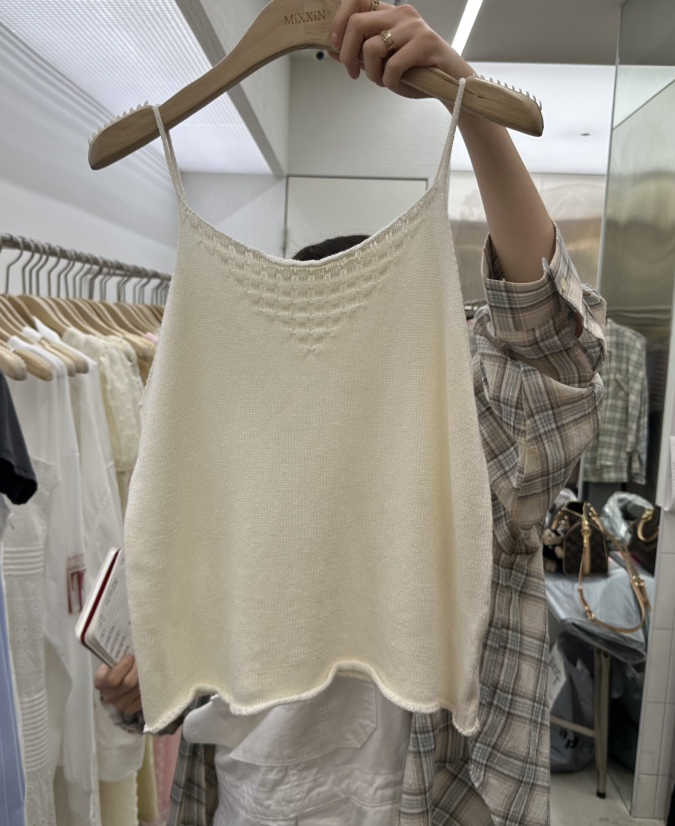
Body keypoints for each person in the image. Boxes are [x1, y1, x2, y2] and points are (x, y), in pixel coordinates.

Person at [96, 1, 606, 823]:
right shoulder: (224, 428)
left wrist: (467, 103)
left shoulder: (458, 422)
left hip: (420, 792)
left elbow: (551, 345)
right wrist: (141, 692)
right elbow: (167, 657)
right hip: (243, 795)